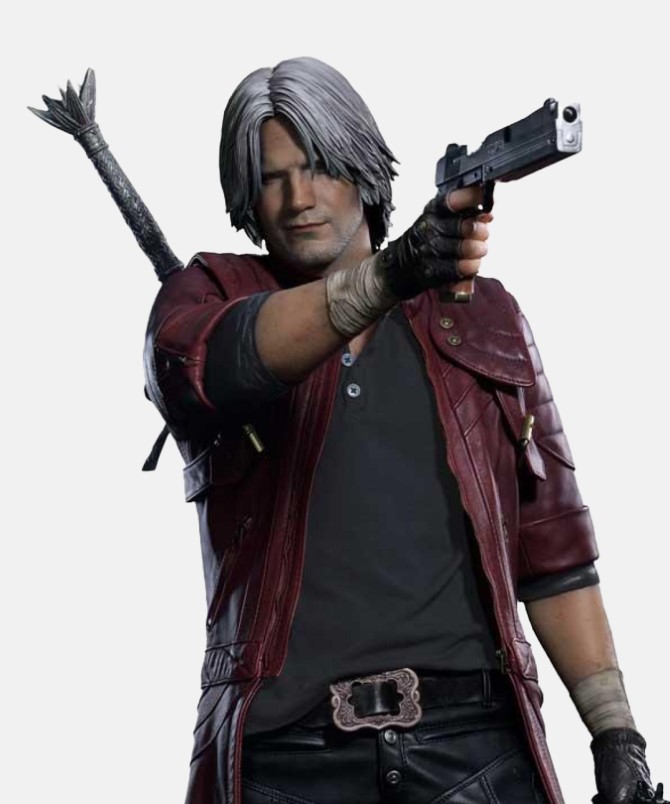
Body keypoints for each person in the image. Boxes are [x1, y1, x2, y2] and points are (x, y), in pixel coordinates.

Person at [144, 57, 661, 804]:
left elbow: (554, 555)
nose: (298, 199)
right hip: (286, 764)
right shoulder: (211, 295)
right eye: (271, 178)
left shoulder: (485, 315)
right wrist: (389, 275)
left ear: (362, 167)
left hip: (475, 754)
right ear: (246, 195)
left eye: (319, 167)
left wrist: (616, 735)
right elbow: (204, 364)